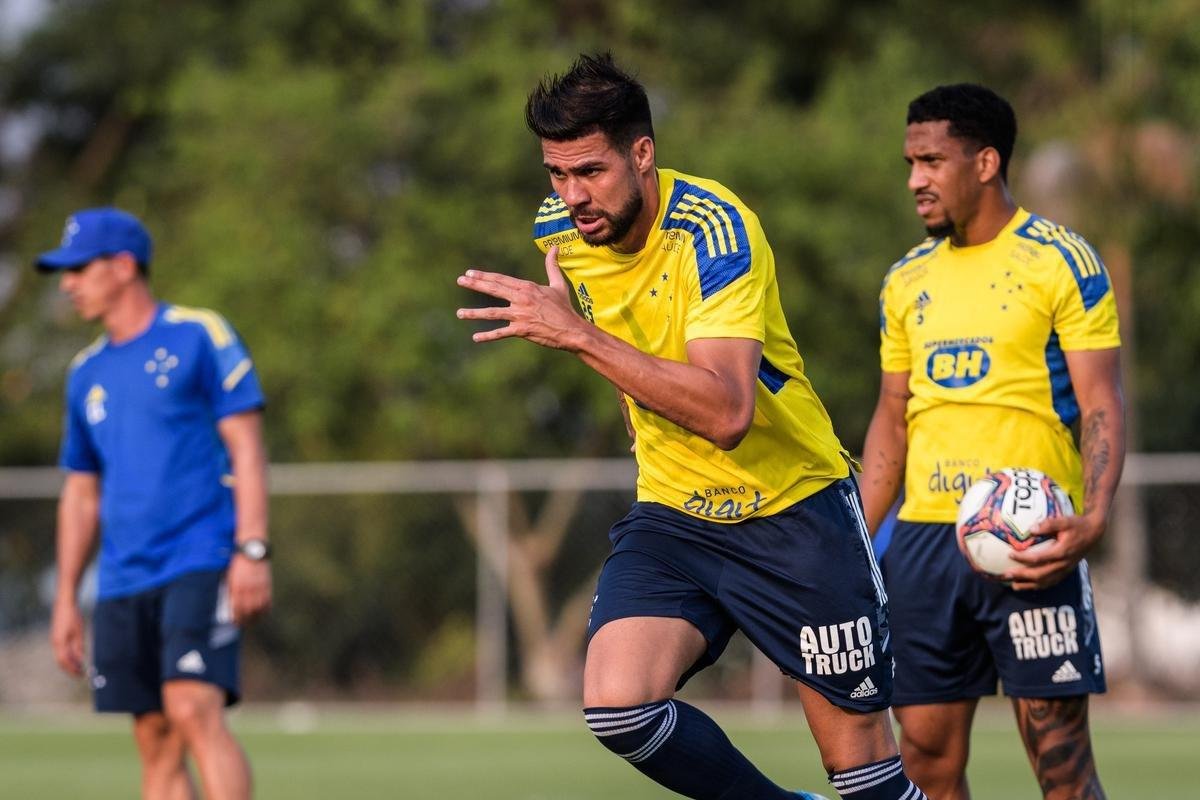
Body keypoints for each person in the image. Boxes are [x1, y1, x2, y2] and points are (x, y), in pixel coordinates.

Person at [457, 53, 927, 800]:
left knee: (864, 774)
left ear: (642, 154)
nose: (572, 195)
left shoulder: (715, 229)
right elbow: (625, 349)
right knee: (619, 708)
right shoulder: (563, 232)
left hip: (793, 512)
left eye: (590, 171)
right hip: (677, 515)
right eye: (557, 174)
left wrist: (577, 335)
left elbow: (727, 413)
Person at [860, 84, 1124, 800]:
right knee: (925, 761)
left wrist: (1093, 515)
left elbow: (1101, 399)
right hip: (922, 544)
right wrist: (853, 540)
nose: (915, 179)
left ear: (985, 162)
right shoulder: (904, 279)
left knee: (1063, 767)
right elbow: (892, 414)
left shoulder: (1061, 260)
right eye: (910, 162)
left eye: (931, 161)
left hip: (1032, 539)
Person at [39, 207, 272, 800]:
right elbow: (81, 491)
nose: (67, 283)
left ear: (122, 267)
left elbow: (246, 448)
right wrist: (67, 596)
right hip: (120, 578)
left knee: (194, 710)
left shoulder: (199, 334)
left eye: (78, 269)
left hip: (199, 556)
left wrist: (252, 549)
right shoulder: (84, 372)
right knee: (155, 736)